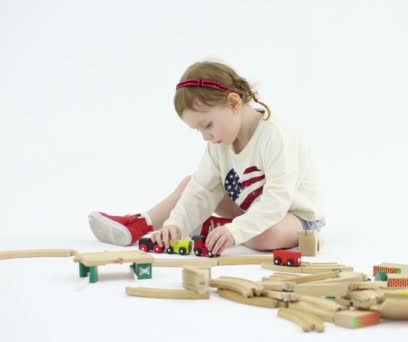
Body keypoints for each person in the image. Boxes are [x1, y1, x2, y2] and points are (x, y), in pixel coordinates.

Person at [88, 60, 325, 256]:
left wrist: (236, 230)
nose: (205, 136)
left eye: (207, 125)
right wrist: (177, 224)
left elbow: (276, 201)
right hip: (249, 209)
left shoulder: (275, 136)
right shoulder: (219, 142)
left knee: (266, 236)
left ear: (233, 102)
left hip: (294, 217)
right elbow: (202, 189)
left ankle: (211, 227)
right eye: (199, 130)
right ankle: (145, 223)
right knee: (191, 184)